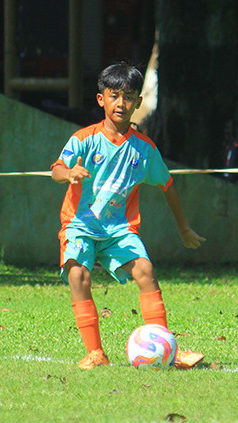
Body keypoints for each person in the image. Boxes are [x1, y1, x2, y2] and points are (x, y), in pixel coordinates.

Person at [51, 62, 206, 370]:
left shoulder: (144, 149)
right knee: (78, 276)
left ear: (138, 102)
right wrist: (69, 173)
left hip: (119, 229)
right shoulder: (84, 139)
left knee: (145, 271)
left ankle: (167, 349)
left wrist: (184, 228)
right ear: (101, 99)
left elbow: (168, 185)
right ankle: (96, 353)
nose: (121, 103)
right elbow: (56, 169)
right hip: (79, 225)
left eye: (129, 97)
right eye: (114, 95)